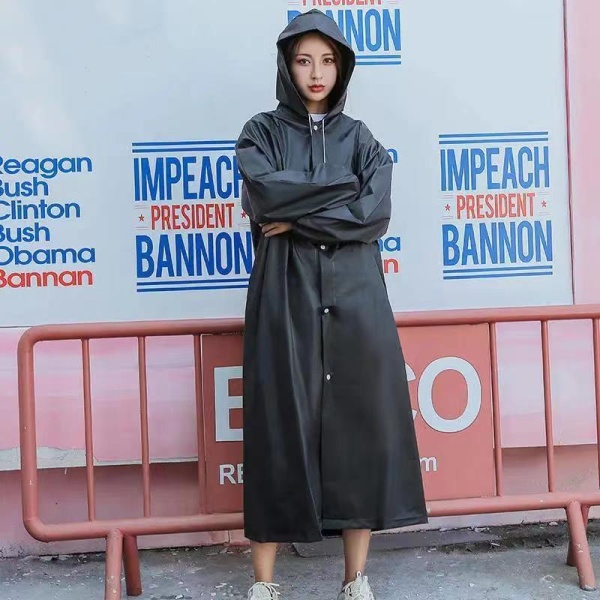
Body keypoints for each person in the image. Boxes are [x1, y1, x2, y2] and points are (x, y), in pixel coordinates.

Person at [235, 9, 428, 600]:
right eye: (303, 60)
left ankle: (355, 578)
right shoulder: (261, 133)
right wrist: (337, 191)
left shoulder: (361, 139)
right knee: (277, 426)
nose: (316, 73)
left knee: (359, 428)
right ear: (286, 66)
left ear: (342, 67)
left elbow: (373, 214)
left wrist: (295, 216)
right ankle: (264, 583)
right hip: (284, 297)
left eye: (327, 60)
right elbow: (264, 195)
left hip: (356, 297)